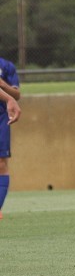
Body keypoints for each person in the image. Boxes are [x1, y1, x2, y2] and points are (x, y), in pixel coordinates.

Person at [0, 58, 21, 221]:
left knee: (1, 164)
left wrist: (4, 89)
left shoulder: (6, 66)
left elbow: (16, 94)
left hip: (1, 117)